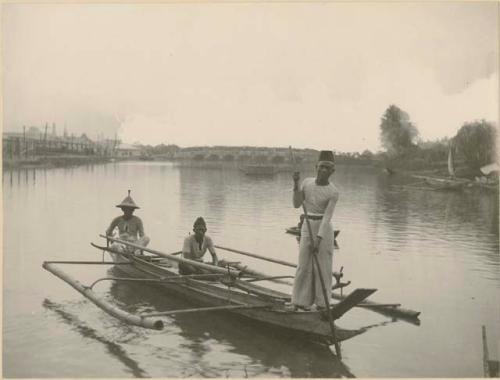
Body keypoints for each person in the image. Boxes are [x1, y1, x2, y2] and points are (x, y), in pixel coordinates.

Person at [290, 150, 339, 311]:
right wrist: (295, 184)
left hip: (323, 230)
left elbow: (327, 217)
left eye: (327, 168)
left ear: (332, 171)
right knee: (303, 265)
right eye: (321, 167)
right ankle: (299, 302)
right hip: (307, 225)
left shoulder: (333, 192)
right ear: (316, 167)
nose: (323, 170)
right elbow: (297, 204)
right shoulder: (306, 183)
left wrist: (319, 239)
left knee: (323, 268)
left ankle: (322, 304)